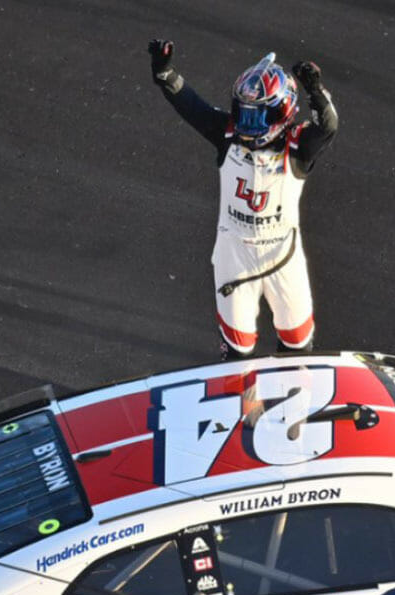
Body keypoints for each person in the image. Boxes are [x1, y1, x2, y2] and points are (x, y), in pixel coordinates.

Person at [148, 40, 338, 359]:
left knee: (298, 347)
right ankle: (243, 407)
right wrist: (164, 72)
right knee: (237, 356)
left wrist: (316, 91)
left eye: (259, 116)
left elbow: (328, 127)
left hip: (283, 256)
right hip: (234, 257)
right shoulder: (227, 134)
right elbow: (191, 104)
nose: (249, 126)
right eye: (245, 114)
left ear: (283, 110)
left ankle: (293, 405)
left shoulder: (298, 147)